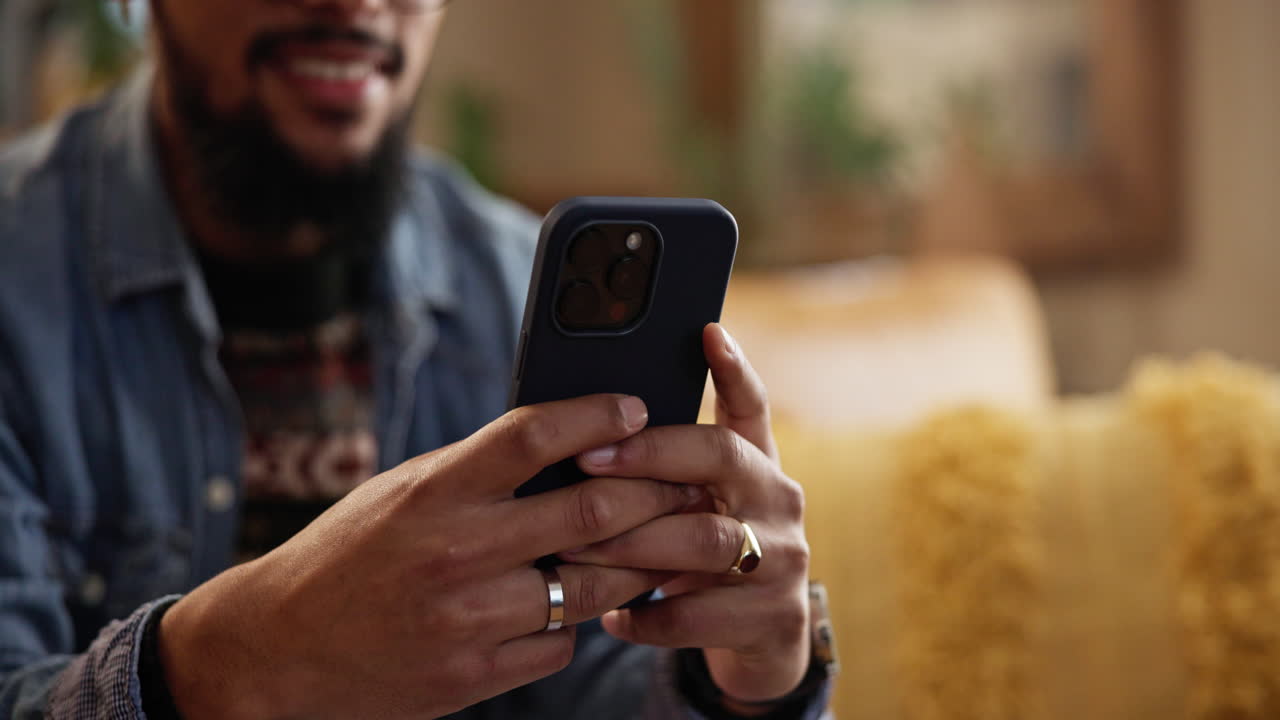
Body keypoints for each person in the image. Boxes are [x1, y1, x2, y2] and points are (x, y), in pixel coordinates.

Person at [0, 0, 831, 717]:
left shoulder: (511, 283)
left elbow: (585, 685)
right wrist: (234, 661)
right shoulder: (18, 283)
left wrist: (742, 685)